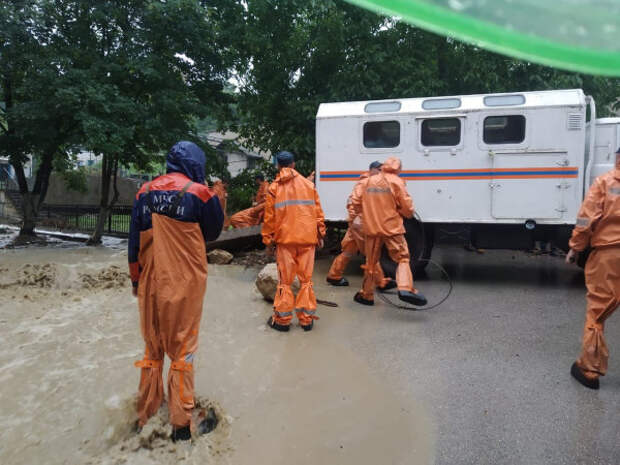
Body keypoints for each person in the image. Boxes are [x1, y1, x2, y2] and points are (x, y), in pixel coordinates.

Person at [128, 141, 224, 441]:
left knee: (153, 349)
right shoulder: (200, 194)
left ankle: (145, 416)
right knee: (183, 350)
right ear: (195, 164)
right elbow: (213, 233)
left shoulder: (144, 192)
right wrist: (218, 197)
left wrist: (135, 281)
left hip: (150, 283)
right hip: (184, 284)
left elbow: (133, 243)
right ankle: (181, 426)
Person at [566, 147, 620, 390]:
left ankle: (589, 371)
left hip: (609, 255)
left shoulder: (605, 183)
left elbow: (586, 219)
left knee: (597, 312)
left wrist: (575, 248)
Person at [262, 151, 326, 332]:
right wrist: (320, 234)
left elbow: (269, 219)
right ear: (293, 165)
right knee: (306, 280)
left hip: (285, 241)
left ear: (277, 166)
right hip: (307, 240)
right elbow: (318, 213)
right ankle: (306, 320)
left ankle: (282, 322)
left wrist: (268, 241)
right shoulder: (308, 185)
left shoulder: (274, 188)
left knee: (285, 282)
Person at [350, 156, 427, 307]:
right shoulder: (397, 181)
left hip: (371, 229)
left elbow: (355, 201)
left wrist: (366, 213)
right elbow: (407, 208)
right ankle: (405, 288)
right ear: (398, 168)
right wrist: (404, 212)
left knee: (371, 262)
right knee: (402, 258)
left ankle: (366, 295)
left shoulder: (367, 181)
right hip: (392, 229)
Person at [326, 161, 396, 291]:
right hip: (363, 224)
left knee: (348, 250)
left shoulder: (369, 182)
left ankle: (334, 275)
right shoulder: (366, 182)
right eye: (380, 169)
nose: (382, 172)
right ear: (373, 170)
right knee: (372, 254)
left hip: (360, 223)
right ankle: (380, 282)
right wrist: (357, 220)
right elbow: (352, 202)